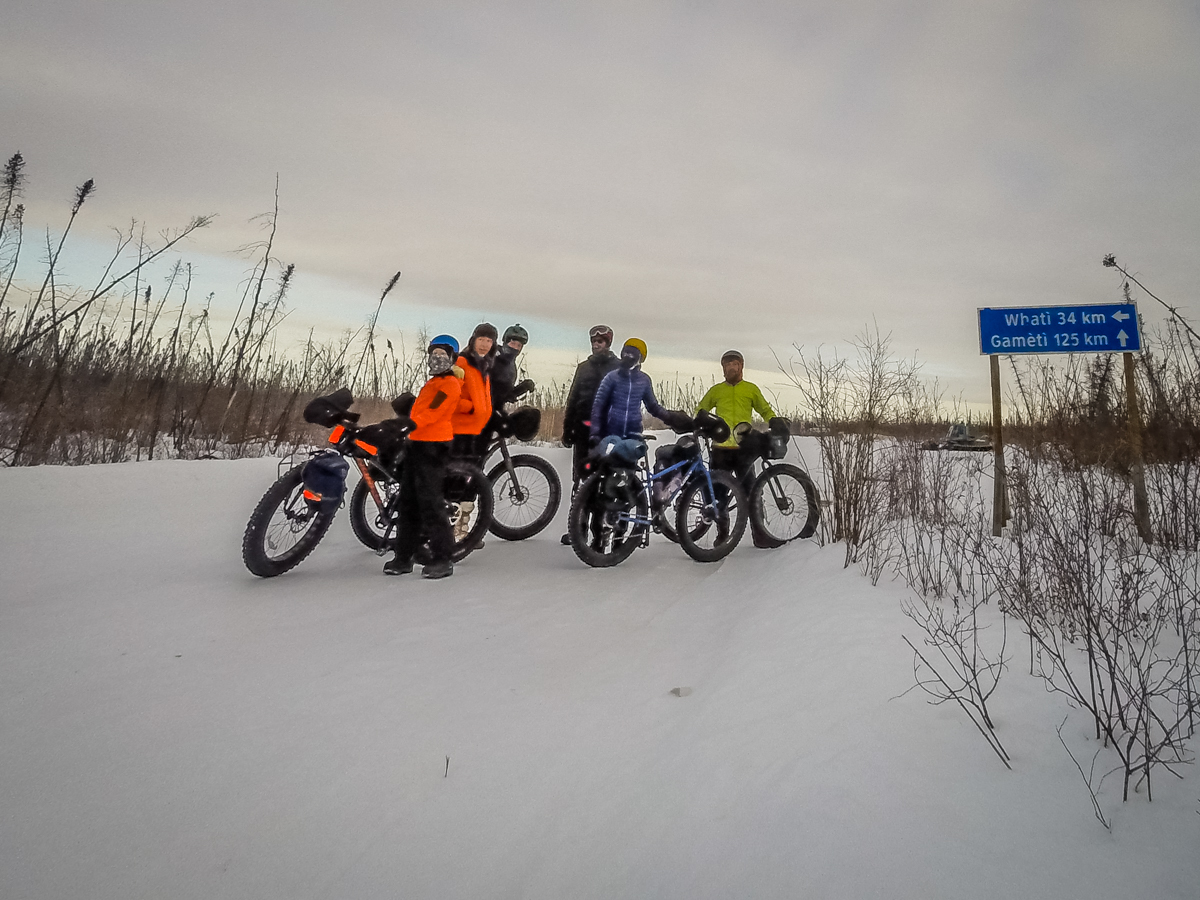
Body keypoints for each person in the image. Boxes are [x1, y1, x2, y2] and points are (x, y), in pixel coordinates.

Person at [384, 335, 464, 579]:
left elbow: (435, 412)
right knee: (408, 502)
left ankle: (442, 558)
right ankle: (404, 556)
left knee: (431, 503)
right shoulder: (431, 383)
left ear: (452, 358)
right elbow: (421, 411)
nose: (437, 359)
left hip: (434, 446)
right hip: (416, 444)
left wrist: (409, 424)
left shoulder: (450, 384)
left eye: (443, 355)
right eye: (434, 354)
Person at [695, 349, 790, 546]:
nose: (730, 368)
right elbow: (700, 409)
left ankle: (761, 535)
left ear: (741, 366)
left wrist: (774, 421)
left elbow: (764, 409)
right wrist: (703, 422)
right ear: (722, 368)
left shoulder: (750, 389)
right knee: (718, 496)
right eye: (726, 365)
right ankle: (722, 535)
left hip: (744, 449)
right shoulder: (716, 391)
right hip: (720, 450)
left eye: (734, 364)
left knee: (753, 493)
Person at [559, 325, 620, 544]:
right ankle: (578, 530)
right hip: (582, 431)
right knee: (580, 481)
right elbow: (573, 398)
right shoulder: (583, 367)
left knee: (602, 482)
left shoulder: (618, 367)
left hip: (606, 433)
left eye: (600, 342)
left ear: (608, 343)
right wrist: (567, 428)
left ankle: (599, 531)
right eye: (594, 342)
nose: (596, 345)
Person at [589, 338, 691, 443]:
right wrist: (595, 433)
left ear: (640, 359)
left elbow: (653, 407)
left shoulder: (644, 380)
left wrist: (672, 418)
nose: (628, 357)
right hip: (611, 434)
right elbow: (598, 406)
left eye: (633, 354)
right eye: (626, 353)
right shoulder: (611, 377)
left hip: (634, 434)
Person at [450, 323, 497, 541]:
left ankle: (460, 529)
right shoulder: (462, 362)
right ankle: (450, 530)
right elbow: (450, 394)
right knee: (455, 481)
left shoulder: (484, 364)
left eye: (489, 341)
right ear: (473, 339)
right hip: (459, 429)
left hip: (474, 430)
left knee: (466, 480)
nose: (485, 344)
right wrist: (471, 408)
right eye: (481, 339)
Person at [491, 324, 535, 412]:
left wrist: (523, 388)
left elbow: (506, 396)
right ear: (505, 342)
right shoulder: (492, 356)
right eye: (513, 343)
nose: (515, 348)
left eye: (519, 346)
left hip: (495, 409)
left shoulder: (511, 366)